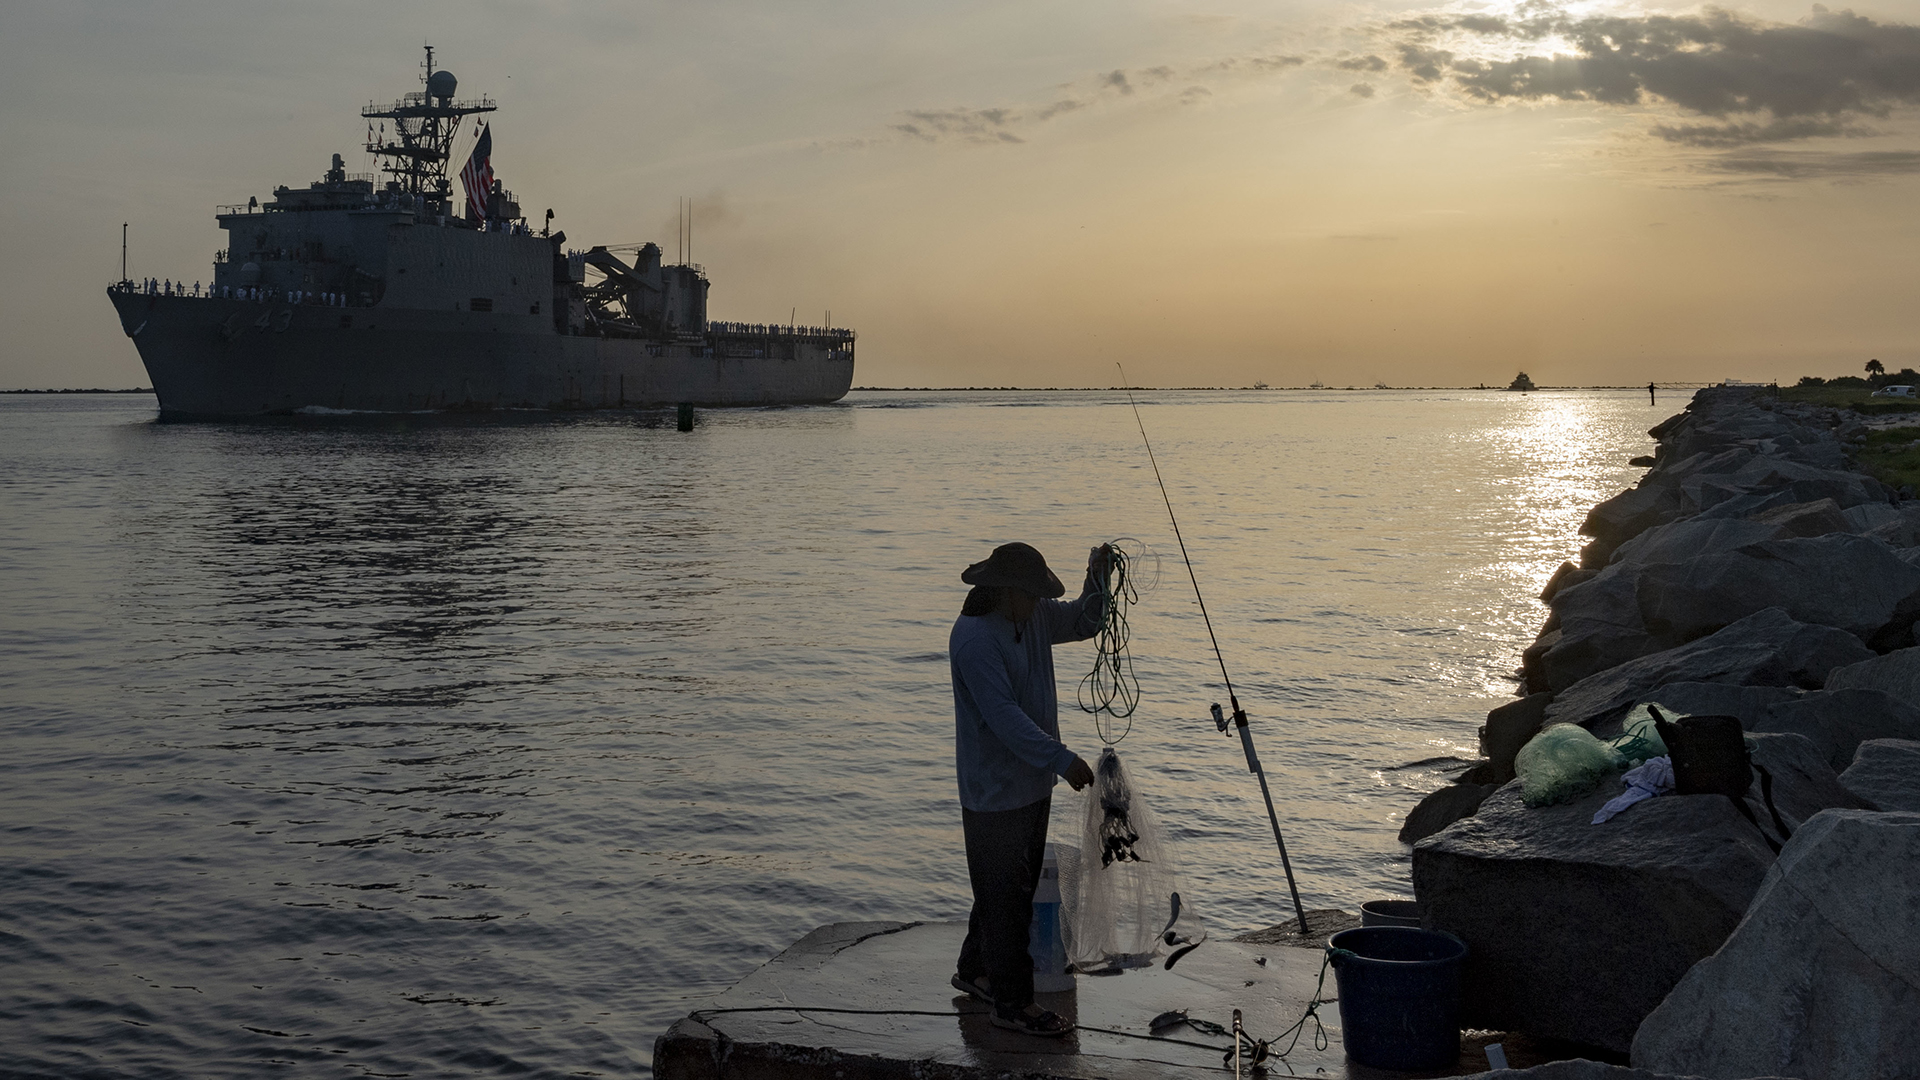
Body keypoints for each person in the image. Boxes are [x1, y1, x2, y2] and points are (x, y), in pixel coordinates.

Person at [947, 541, 1106, 1037]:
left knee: (1002, 888)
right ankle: (1012, 1004)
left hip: (1032, 784)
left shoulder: (1032, 617)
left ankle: (974, 971)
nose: (1040, 603)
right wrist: (1061, 758)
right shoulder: (975, 639)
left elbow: (1084, 621)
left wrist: (1099, 578)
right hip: (992, 792)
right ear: (1006, 592)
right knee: (1008, 899)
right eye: (1032, 594)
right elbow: (1003, 720)